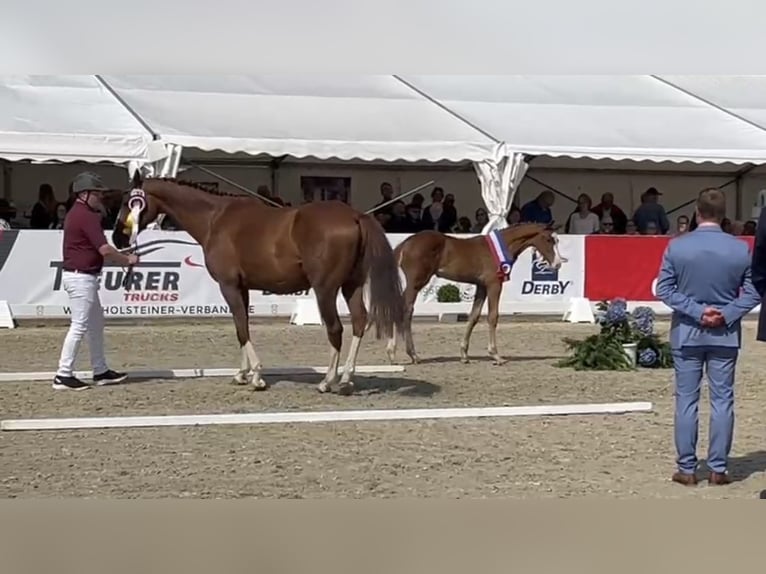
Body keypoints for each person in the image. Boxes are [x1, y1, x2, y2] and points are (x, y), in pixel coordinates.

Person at [655, 187, 760, 486]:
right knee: (722, 400)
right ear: (724, 215)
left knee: (686, 401)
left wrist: (697, 311)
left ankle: (687, 468)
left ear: (697, 213)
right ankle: (718, 467)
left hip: (688, 331)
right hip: (724, 334)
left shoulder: (677, 246)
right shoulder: (740, 248)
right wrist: (725, 314)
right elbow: (753, 291)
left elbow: (664, 289)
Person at [53, 172, 139, 391]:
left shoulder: (79, 213)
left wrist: (120, 256)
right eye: (97, 193)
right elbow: (105, 249)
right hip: (82, 277)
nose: (100, 197)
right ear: (84, 194)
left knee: (95, 324)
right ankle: (63, 374)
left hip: (83, 276)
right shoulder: (86, 216)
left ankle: (100, 370)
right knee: (80, 325)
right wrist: (126, 259)